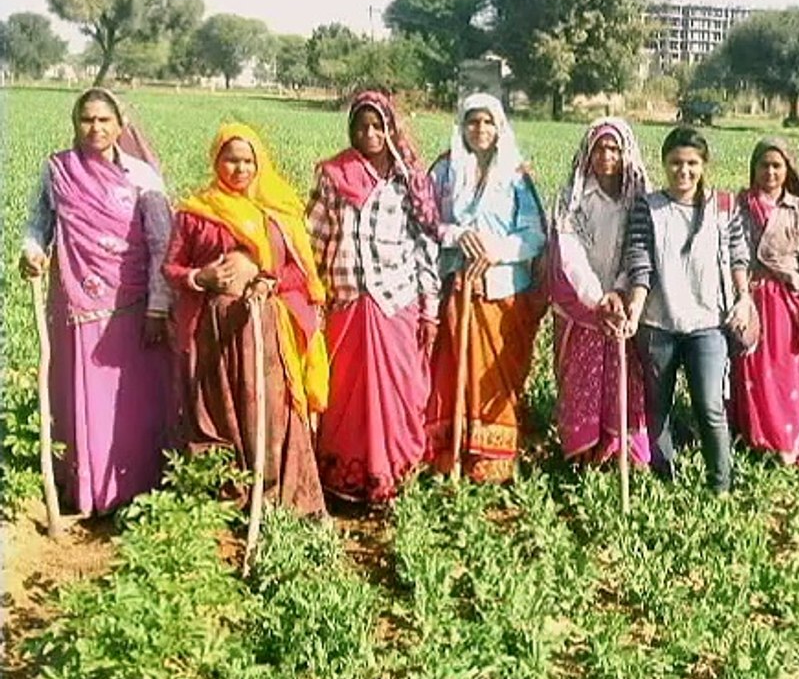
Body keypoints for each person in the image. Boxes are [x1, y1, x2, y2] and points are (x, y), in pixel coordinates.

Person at [18, 88, 173, 515]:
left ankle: (136, 489)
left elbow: (162, 245)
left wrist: (159, 308)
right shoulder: (58, 172)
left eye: (105, 120)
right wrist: (32, 252)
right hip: (77, 306)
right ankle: (88, 493)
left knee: (131, 404)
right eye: (87, 119)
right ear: (75, 123)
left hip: (133, 307)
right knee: (82, 400)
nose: (96, 128)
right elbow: (38, 222)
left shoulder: (143, 177)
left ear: (120, 126)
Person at [164, 123, 330, 515]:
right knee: (217, 410)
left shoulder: (277, 214)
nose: (239, 169)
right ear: (216, 161)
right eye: (230, 160)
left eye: (246, 161)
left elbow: (300, 273)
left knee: (270, 411)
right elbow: (170, 266)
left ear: (258, 164)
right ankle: (226, 495)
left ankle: (274, 495)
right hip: (214, 331)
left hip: (264, 329)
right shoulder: (195, 213)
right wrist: (199, 277)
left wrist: (267, 280)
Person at [308, 90, 439, 502]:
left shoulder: (409, 181)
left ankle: (396, 472)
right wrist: (312, 294)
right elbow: (314, 237)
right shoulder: (333, 175)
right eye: (362, 126)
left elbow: (424, 245)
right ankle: (347, 476)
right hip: (346, 299)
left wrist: (430, 308)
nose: (370, 133)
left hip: (396, 301)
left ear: (390, 128)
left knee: (401, 389)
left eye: (378, 125)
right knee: (347, 392)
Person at [622, 126, 754, 493]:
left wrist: (743, 298)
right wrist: (634, 307)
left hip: (708, 323)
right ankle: (664, 478)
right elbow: (640, 262)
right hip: (657, 323)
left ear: (703, 164)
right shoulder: (647, 207)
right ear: (664, 165)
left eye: (692, 163)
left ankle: (720, 485)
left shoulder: (724, 207)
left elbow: (739, 257)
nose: (684, 171)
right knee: (657, 406)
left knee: (710, 406)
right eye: (676, 163)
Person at [426, 93, 546, 483]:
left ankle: (493, 458)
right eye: (473, 122)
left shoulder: (516, 175)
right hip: (456, 287)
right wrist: (458, 235)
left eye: (488, 122)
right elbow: (426, 224)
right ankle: (453, 452)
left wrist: (495, 251)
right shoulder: (443, 171)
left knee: (495, 377)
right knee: (453, 372)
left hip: (501, 291)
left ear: (499, 128)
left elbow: (534, 234)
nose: (480, 130)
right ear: (462, 126)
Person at [550, 118, 651, 466]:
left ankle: (619, 450)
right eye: (599, 148)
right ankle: (584, 451)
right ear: (588, 152)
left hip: (622, 301)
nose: (606, 155)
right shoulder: (573, 198)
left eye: (614, 148)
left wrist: (621, 291)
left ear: (626, 153)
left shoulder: (638, 200)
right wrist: (597, 297)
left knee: (625, 377)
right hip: (584, 303)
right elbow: (569, 252)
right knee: (583, 377)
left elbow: (639, 249)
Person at [729, 137, 799, 467]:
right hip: (750, 300)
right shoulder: (738, 206)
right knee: (748, 371)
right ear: (753, 168)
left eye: (777, 166)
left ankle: (786, 442)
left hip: (787, 305)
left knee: (786, 374)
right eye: (763, 165)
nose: (769, 172)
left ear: (787, 170)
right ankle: (753, 438)